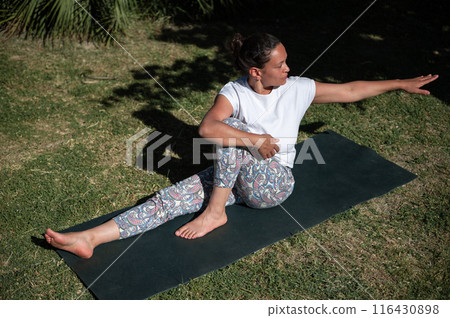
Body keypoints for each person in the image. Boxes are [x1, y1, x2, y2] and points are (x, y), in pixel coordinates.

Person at [45, 33, 438, 259]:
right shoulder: (234, 91)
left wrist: (399, 83)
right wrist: (254, 139)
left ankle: (215, 212)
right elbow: (207, 127)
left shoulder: (298, 88)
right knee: (173, 196)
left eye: (286, 63)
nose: (288, 69)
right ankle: (91, 239)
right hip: (233, 176)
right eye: (280, 65)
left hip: (274, 184)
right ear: (256, 71)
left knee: (229, 134)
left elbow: (352, 90)